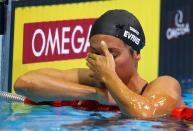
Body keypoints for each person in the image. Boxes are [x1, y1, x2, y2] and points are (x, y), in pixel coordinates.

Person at [14, 9, 185, 118]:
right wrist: (94, 94)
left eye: (113, 54)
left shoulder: (164, 84)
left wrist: (110, 78)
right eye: (96, 53)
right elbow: (23, 84)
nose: (104, 62)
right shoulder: (94, 81)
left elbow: (145, 113)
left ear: (137, 54)